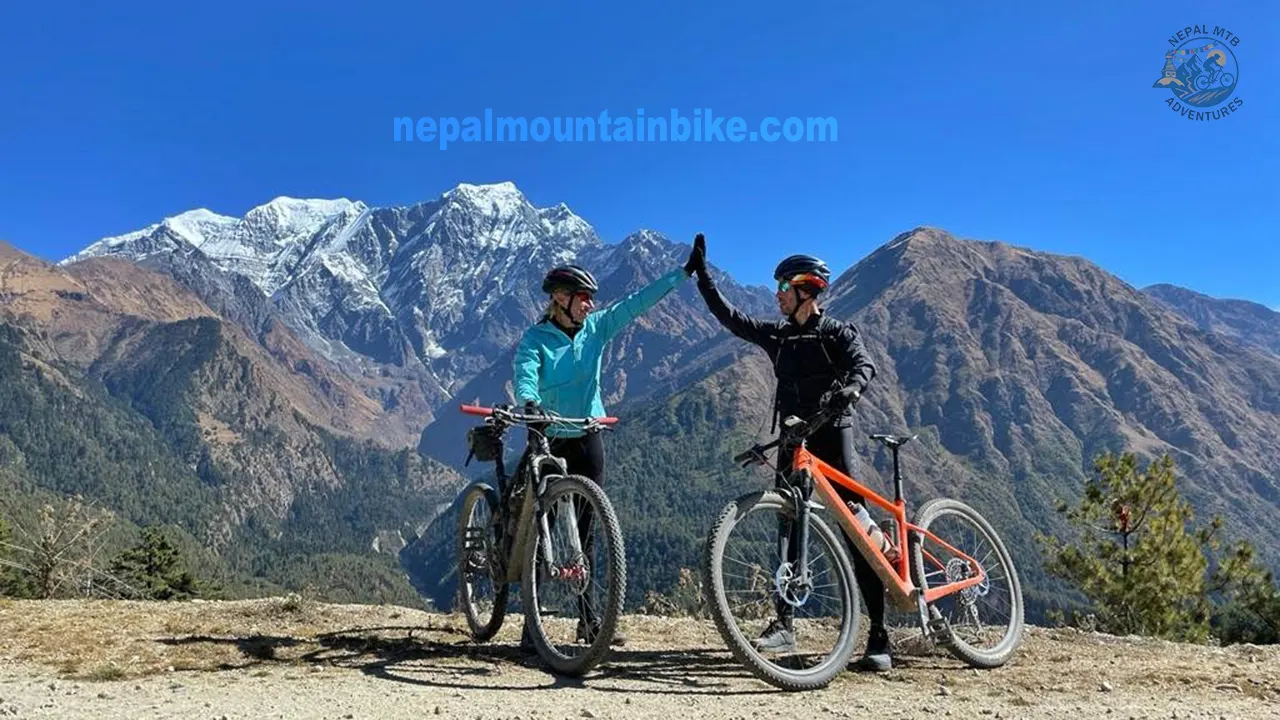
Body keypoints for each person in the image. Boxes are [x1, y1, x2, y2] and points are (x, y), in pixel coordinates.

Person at [684, 233, 891, 672]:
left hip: (833, 435)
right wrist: (703, 277)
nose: (776, 294)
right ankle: (785, 624)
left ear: (805, 290)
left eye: (782, 287)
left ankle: (879, 633)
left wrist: (852, 389)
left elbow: (863, 364)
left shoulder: (835, 333)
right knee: (789, 527)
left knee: (854, 528)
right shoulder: (779, 336)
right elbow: (732, 319)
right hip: (794, 439)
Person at [511, 254, 699, 649]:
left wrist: (682, 273)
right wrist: (530, 404)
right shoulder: (536, 338)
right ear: (560, 298)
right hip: (549, 434)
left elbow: (636, 304)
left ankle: (588, 619)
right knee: (540, 527)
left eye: (590, 298)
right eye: (583, 297)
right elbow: (525, 373)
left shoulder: (596, 327)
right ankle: (532, 623)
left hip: (586, 433)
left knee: (588, 529)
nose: (590, 304)